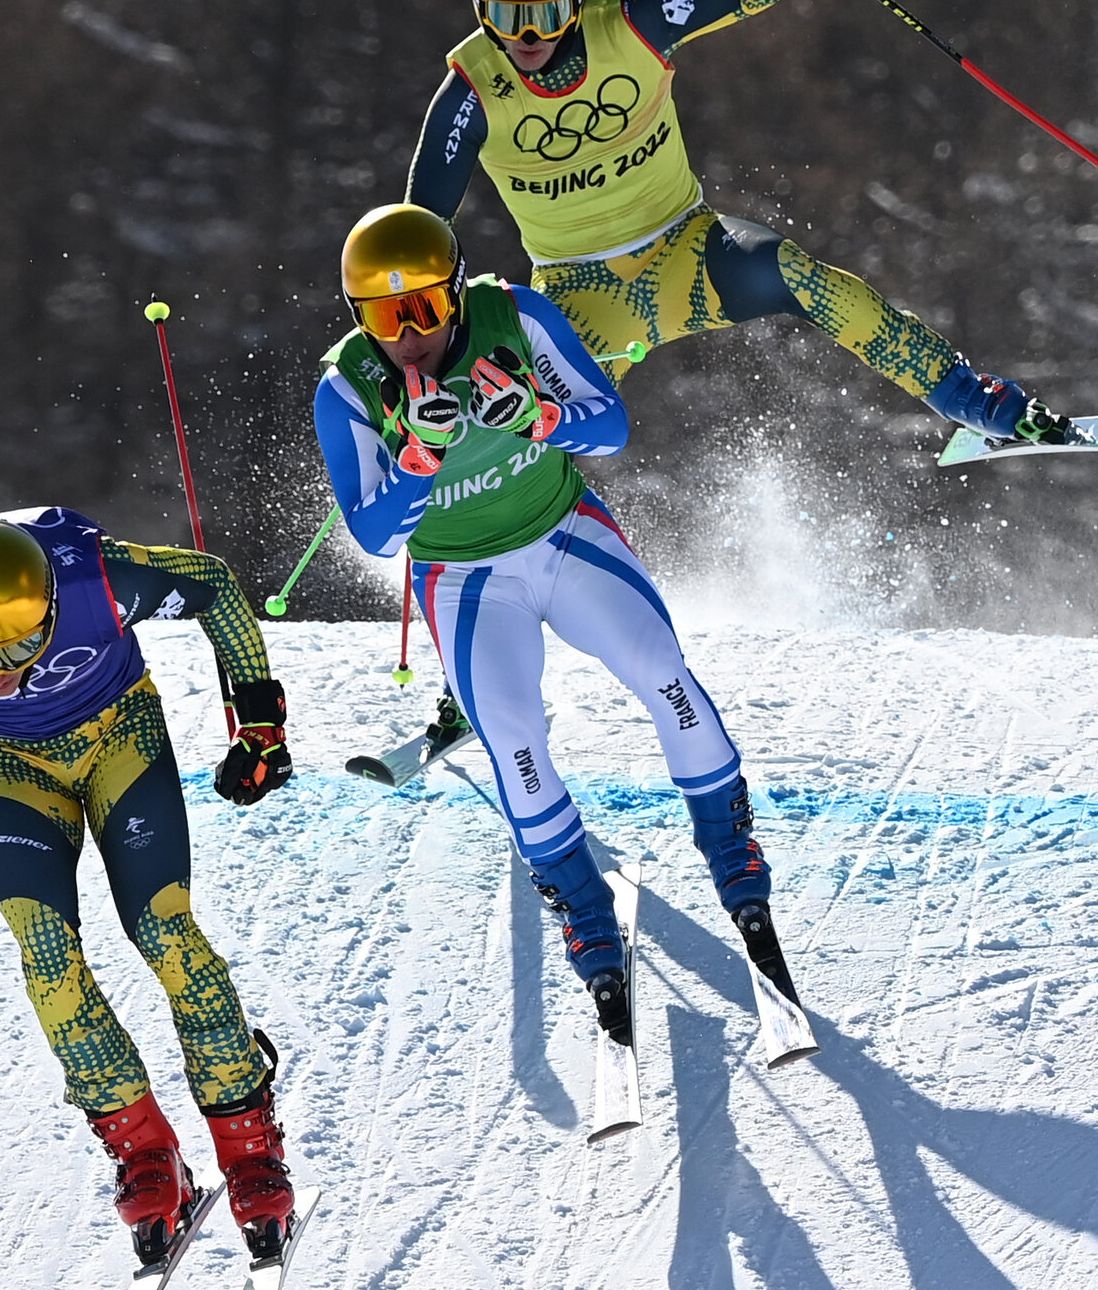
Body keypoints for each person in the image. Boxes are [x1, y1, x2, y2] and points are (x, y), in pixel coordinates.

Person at [307, 202, 800, 1069]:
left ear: (458, 291)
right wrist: (415, 466)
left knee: (660, 668)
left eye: (426, 306)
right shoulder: (346, 388)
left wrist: (540, 415)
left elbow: (610, 424)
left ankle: (732, 851)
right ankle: (581, 906)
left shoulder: (515, 315)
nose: (411, 335)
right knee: (512, 735)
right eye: (386, 317)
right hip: (466, 578)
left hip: (564, 533)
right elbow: (377, 536)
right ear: (359, 318)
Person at [405, 0, 1080, 446]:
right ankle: (463, 527)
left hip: (688, 250)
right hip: (579, 294)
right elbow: (414, 240)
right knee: (514, 421)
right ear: (479, 6)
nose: (528, 38)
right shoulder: (470, 94)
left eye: (549, 14)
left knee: (798, 275)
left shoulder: (635, 24)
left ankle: (970, 398)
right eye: (506, 16)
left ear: (579, 1)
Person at [0, 509, 302, 1274]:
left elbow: (211, 582)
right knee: (46, 956)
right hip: (6, 764)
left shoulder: (97, 580)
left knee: (165, 933)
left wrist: (260, 722)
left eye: (15, 651)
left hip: (120, 735)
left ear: (48, 609)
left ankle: (250, 1146)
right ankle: (145, 1154)